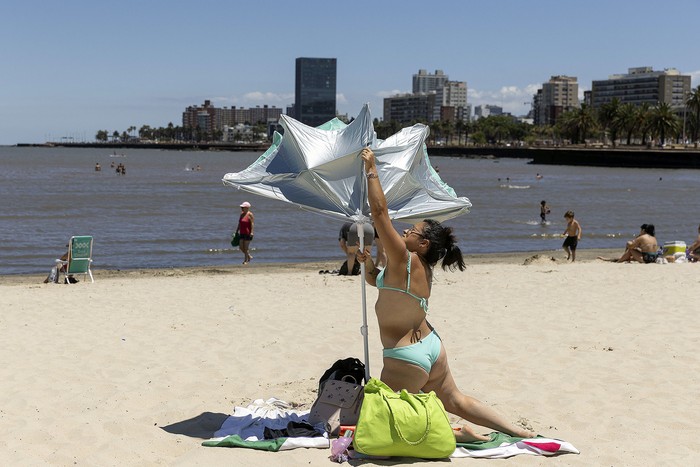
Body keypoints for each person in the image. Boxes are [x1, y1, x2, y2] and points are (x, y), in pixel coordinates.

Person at [356, 147, 534, 442]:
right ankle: (515, 429)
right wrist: (369, 266)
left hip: (405, 355)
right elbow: (381, 283)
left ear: (423, 243)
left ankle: (455, 431)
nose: (404, 231)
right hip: (429, 346)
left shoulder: (404, 258)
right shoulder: (419, 268)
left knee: (381, 417)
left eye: (411, 230)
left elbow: (379, 213)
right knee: (455, 399)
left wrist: (371, 170)